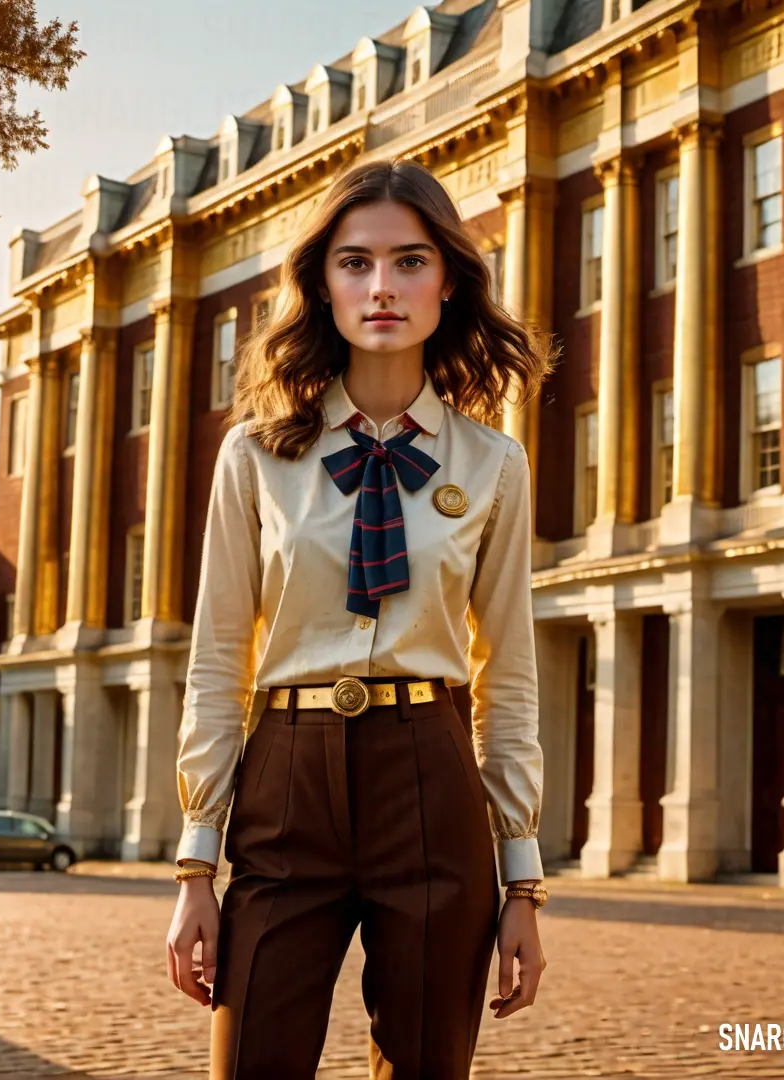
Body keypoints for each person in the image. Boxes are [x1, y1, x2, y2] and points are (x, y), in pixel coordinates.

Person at [165, 157, 554, 1080]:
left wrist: (522, 878)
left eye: (411, 261)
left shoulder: (496, 463)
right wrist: (195, 868)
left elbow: (511, 672)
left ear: (449, 280)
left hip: (430, 771)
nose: (382, 286)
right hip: (286, 779)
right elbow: (220, 657)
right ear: (322, 284)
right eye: (355, 262)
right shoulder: (253, 457)